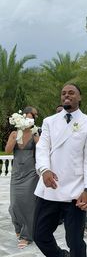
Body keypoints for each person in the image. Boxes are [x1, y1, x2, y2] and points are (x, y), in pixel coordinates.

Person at [33, 83, 87, 257]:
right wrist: (44, 170)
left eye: (71, 92)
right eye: (63, 92)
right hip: (50, 189)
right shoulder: (49, 121)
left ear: (79, 97)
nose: (66, 95)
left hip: (75, 193)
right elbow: (42, 149)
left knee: (75, 242)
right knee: (39, 235)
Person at [5, 106, 39, 249]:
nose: (31, 118)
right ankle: (18, 228)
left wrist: (35, 135)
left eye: (33, 116)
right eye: (29, 116)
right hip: (17, 173)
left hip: (31, 173)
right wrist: (15, 136)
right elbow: (7, 150)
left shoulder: (35, 133)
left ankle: (27, 235)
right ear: (22, 117)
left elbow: (43, 150)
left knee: (29, 205)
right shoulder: (14, 133)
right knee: (14, 204)